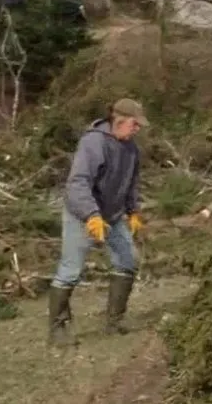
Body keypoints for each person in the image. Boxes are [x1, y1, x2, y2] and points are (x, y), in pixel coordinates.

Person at [48, 98, 147, 347]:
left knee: (127, 261)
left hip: (112, 214)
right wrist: (91, 215)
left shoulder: (131, 149)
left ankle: (114, 321)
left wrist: (133, 211)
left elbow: (130, 184)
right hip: (82, 214)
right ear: (119, 121)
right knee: (71, 270)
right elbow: (78, 183)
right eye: (135, 124)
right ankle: (57, 330)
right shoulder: (93, 142)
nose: (137, 129)